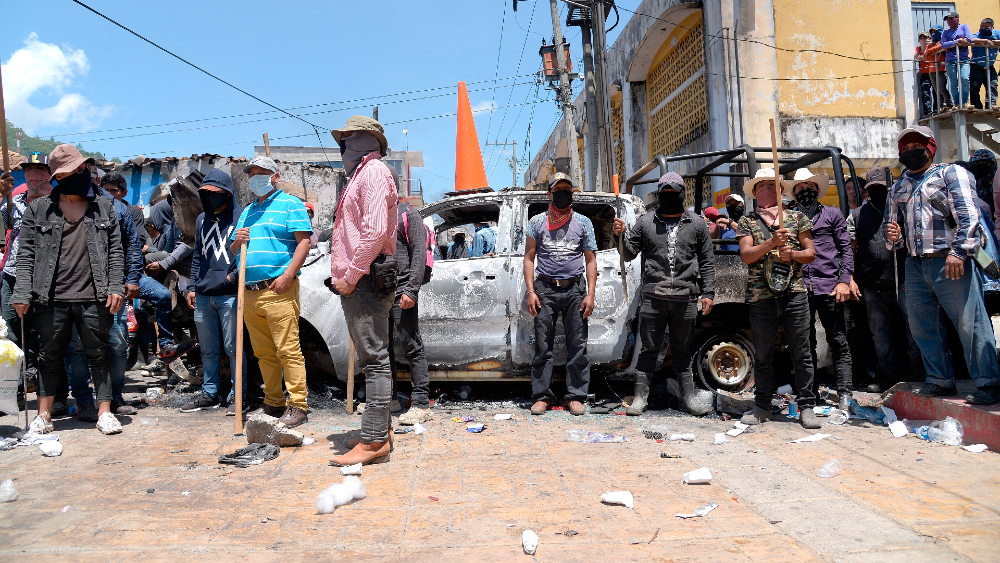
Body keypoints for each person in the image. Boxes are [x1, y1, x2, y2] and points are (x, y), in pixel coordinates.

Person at [10, 144, 125, 435]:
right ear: (59, 177)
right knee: (49, 356)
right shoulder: (39, 209)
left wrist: (115, 286)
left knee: (99, 354)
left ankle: (105, 412)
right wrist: (22, 292)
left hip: (94, 295)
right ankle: (44, 416)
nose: (80, 175)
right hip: (50, 296)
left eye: (82, 169)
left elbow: (115, 252)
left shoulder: (104, 206)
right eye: (72, 172)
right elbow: (25, 254)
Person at [885, 125, 1000, 405]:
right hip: (915, 264)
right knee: (922, 326)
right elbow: (892, 237)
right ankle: (939, 380)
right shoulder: (897, 187)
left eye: (917, 147)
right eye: (906, 149)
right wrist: (894, 238)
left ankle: (989, 383)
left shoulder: (951, 174)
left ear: (931, 148)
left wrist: (959, 253)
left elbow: (969, 215)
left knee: (969, 323)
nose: (911, 152)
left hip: (950, 260)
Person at [326, 115, 398, 466]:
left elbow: (372, 233)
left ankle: (373, 442)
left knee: (374, 361)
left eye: (348, 139)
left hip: (366, 280)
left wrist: (352, 276)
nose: (343, 146)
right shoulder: (361, 175)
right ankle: (378, 433)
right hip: (363, 279)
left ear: (365, 141)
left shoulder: (372, 172)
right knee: (375, 358)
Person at [613, 172, 715, 416]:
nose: (668, 196)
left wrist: (708, 292)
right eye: (664, 192)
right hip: (654, 297)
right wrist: (620, 234)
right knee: (649, 349)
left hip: (686, 297)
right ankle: (640, 398)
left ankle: (688, 398)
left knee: (683, 350)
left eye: (673, 192)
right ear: (659, 194)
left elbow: (707, 261)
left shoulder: (697, 224)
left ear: (682, 194)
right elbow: (627, 253)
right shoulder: (646, 222)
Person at [230, 156, 313, 427]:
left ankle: (298, 404)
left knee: (288, 349)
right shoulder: (247, 211)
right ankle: (273, 402)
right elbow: (234, 249)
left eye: (262, 173)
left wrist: (288, 275)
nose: (256, 178)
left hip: (277, 289)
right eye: (252, 174)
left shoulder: (291, 204)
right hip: (250, 292)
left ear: (275, 176)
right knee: (263, 353)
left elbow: (305, 242)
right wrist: (237, 241)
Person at [735, 168, 820, 428]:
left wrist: (792, 255)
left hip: (794, 294)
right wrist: (772, 243)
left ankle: (807, 406)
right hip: (761, 297)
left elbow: (811, 253)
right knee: (763, 354)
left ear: (781, 191)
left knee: (802, 352)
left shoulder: (796, 219)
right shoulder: (748, 222)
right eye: (761, 187)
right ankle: (762, 406)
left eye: (772, 186)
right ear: (755, 193)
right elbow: (747, 255)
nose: (766, 191)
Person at [59, 170, 144, 421]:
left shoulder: (116, 208)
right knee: (75, 347)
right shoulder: (58, 206)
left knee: (117, 344)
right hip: (73, 289)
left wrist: (131, 278)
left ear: (95, 178)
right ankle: (85, 401)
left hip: (110, 288)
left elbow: (131, 246)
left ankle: (114, 397)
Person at [523, 172, 597, 416]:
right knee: (543, 346)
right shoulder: (536, 222)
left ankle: (576, 396)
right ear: (549, 194)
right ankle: (542, 397)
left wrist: (591, 294)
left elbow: (590, 260)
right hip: (545, 289)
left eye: (567, 189)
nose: (562, 194)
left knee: (577, 345)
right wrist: (531, 292)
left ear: (572, 193)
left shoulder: (583, 222)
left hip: (576, 290)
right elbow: (529, 258)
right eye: (558, 190)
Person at [847, 167, 924, 393]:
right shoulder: (858, 215)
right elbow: (850, 250)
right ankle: (887, 371)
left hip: (905, 281)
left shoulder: (904, 211)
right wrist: (850, 278)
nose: (878, 193)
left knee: (915, 328)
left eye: (882, 188)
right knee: (879, 331)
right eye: (873, 189)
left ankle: (918, 369)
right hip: (872, 284)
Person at [181, 169, 247, 415]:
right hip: (204, 295)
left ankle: (237, 394)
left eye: (216, 194)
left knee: (234, 348)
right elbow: (197, 255)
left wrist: (233, 278)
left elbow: (246, 255)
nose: (211, 198)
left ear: (227, 194)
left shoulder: (242, 217)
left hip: (230, 294)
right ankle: (209, 393)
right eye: (206, 194)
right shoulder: (201, 220)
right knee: (208, 349)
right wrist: (192, 286)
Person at [790, 168, 855, 409]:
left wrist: (844, 280)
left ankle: (845, 391)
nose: (804, 191)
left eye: (808, 187)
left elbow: (846, 249)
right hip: (799, 288)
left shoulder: (832, 214)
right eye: (799, 188)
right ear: (794, 193)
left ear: (816, 190)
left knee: (838, 339)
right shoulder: (790, 217)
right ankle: (809, 393)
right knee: (804, 343)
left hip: (829, 286)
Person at [0, 152, 49, 411]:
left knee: (47, 337)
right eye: (29, 171)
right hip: (12, 276)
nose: (34, 177)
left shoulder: (57, 204)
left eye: (40, 171)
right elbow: (1, 226)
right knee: (10, 335)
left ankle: (49, 395)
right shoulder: (13, 203)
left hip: (45, 279)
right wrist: (1, 193)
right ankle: (14, 394)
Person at [392, 197, 432, 426]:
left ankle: (420, 403)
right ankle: (389, 399)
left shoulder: (407, 213)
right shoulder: (375, 213)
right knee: (383, 348)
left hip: (402, 291)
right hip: (378, 293)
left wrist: (411, 290)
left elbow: (419, 253)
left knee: (411, 344)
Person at [101, 172, 149, 251]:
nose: (108, 195)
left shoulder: (134, 212)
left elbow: (139, 241)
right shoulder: (97, 211)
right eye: (106, 190)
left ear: (124, 193)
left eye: (113, 191)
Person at [941, 11, 975, 109]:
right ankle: (957, 103)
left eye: (951, 18)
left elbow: (969, 39)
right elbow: (943, 45)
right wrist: (958, 41)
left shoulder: (964, 27)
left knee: (964, 78)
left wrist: (951, 43)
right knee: (954, 81)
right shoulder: (945, 32)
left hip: (963, 59)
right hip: (950, 60)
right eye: (947, 19)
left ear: (957, 18)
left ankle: (965, 102)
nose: (949, 21)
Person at [970, 18, 999, 110]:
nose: (984, 28)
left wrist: (993, 42)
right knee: (974, 88)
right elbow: (971, 39)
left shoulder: (996, 33)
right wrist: (986, 41)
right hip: (976, 66)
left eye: (986, 26)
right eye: (982, 26)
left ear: (992, 27)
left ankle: (991, 104)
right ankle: (977, 106)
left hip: (989, 66)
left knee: (993, 85)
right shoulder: (977, 35)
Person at [916, 31, 937, 116]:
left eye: (926, 38)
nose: (924, 40)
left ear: (930, 39)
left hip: (934, 72)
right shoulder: (918, 48)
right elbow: (917, 56)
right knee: (925, 93)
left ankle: (936, 110)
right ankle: (927, 111)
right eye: (921, 38)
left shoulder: (933, 47)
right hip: (924, 74)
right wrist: (924, 55)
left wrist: (923, 56)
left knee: (936, 92)